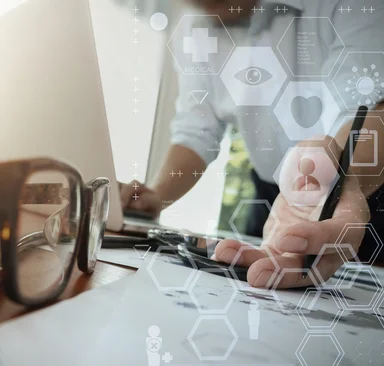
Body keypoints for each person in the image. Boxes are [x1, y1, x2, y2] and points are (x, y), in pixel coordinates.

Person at [120, 0, 384, 288]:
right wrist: (157, 196)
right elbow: (195, 130)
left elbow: (365, 110)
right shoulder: (191, 27)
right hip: (272, 204)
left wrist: (339, 184)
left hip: (360, 194)